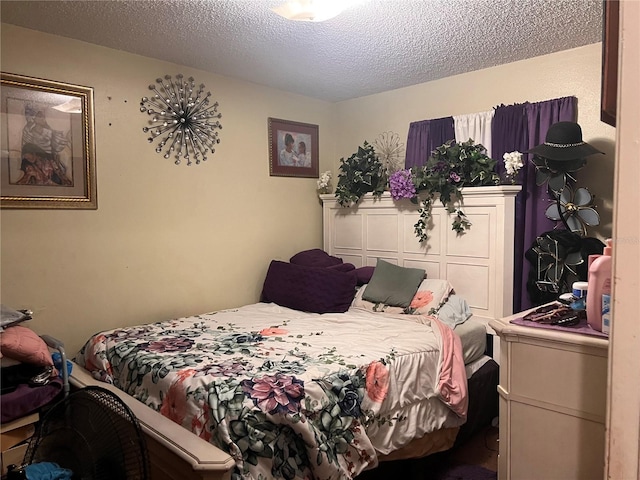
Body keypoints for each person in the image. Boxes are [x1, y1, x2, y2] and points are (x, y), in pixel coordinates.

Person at [16, 104, 72, 186]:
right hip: (33, 160)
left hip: (48, 159)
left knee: (54, 175)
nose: (43, 118)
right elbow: (25, 148)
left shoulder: (50, 130)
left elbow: (57, 146)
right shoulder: (28, 130)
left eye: (43, 116)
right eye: (40, 116)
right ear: (33, 117)